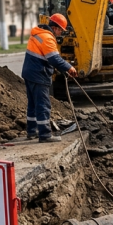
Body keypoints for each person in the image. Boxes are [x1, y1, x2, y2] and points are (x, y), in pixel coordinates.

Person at [21, 13, 77, 143]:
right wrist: (69, 67)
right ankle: (45, 135)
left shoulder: (38, 34)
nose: (60, 34)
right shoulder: (47, 38)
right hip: (38, 75)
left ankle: (32, 131)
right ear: (56, 28)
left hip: (29, 73)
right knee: (43, 105)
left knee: (33, 104)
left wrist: (61, 69)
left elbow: (45, 57)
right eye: (61, 31)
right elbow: (54, 58)